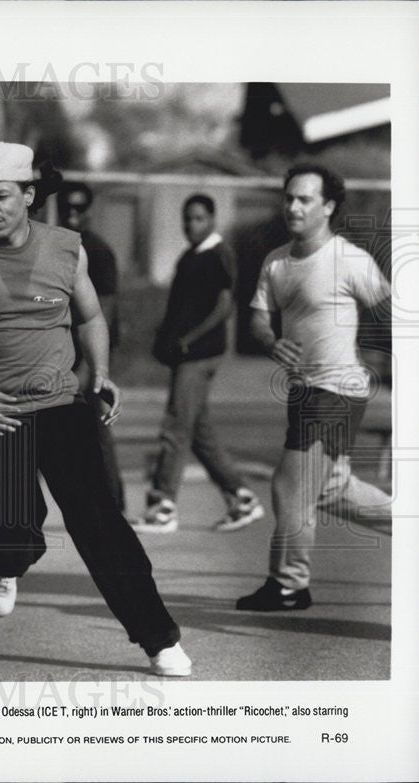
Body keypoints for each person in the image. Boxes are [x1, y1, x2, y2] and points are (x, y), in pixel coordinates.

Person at [0, 142, 191, 676]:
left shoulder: (68, 248)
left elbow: (89, 317)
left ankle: (159, 639)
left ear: (30, 193)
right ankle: (4, 563)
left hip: (63, 405)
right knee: (13, 533)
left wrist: (103, 372)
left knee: (101, 524)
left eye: (1, 195)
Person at [237, 163, 391, 611]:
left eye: (305, 199)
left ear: (328, 207)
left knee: (290, 485)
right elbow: (258, 320)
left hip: (338, 391)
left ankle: (289, 585)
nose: (293, 206)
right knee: (329, 490)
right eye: (288, 197)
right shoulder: (277, 262)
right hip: (305, 391)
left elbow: (393, 314)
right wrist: (271, 342)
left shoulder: (349, 259)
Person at [133, 194, 265, 534]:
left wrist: (191, 339)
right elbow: (179, 308)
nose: (192, 225)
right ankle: (241, 497)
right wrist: (165, 341)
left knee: (175, 427)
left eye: (199, 219)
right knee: (198, 433)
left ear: (212, 220)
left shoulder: (220, 256)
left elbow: (225, 307)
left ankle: (162, 506)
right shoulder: (188, 257)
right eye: (187, 219)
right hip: (184, 355)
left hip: (200, 355)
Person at [60, 184, 126, 511]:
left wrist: (93, 367)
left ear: (88, 211)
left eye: (78, 208)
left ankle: (114, 504)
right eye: (66, 208)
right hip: (63, 352)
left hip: (89, 353)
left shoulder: (98, 252)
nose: (71, 215)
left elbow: (106, 316)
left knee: (96, 426)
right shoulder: (57, 246)